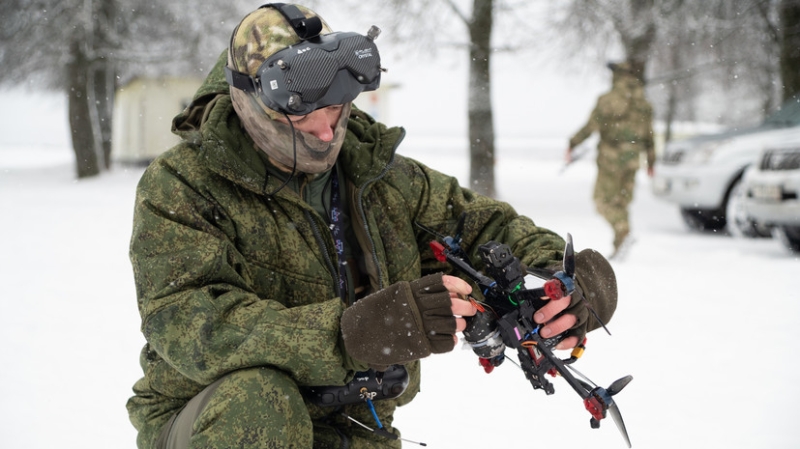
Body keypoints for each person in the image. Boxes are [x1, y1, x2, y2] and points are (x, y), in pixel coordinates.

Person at [126, 4, 619, 448]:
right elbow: (192, 325)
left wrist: (566, 283)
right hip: (212, 420)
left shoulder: (378, 175)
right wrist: (354, 334)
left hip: (356, 424)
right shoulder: (181, 186)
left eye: (337, 109)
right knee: (261, 403)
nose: (326, 131)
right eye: (304, 118)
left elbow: (490, 229)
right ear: (250, 103)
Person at [566, 61, 656, 259]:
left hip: (610, 159)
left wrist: (572, 143)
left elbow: (590, 127)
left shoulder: (607, 99)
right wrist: (651, 161)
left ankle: (623, 231)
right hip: (633, 159)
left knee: (602, 201)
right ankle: (621, 243)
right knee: (621, 202)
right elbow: (650, 135)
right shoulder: (644, 104)